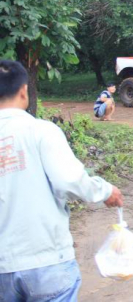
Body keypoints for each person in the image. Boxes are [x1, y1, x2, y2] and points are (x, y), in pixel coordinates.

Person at [0, 60, 124, 301]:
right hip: (46, 260)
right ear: (24, 91)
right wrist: (105, 191)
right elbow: (69, 180)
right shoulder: (41, 131)